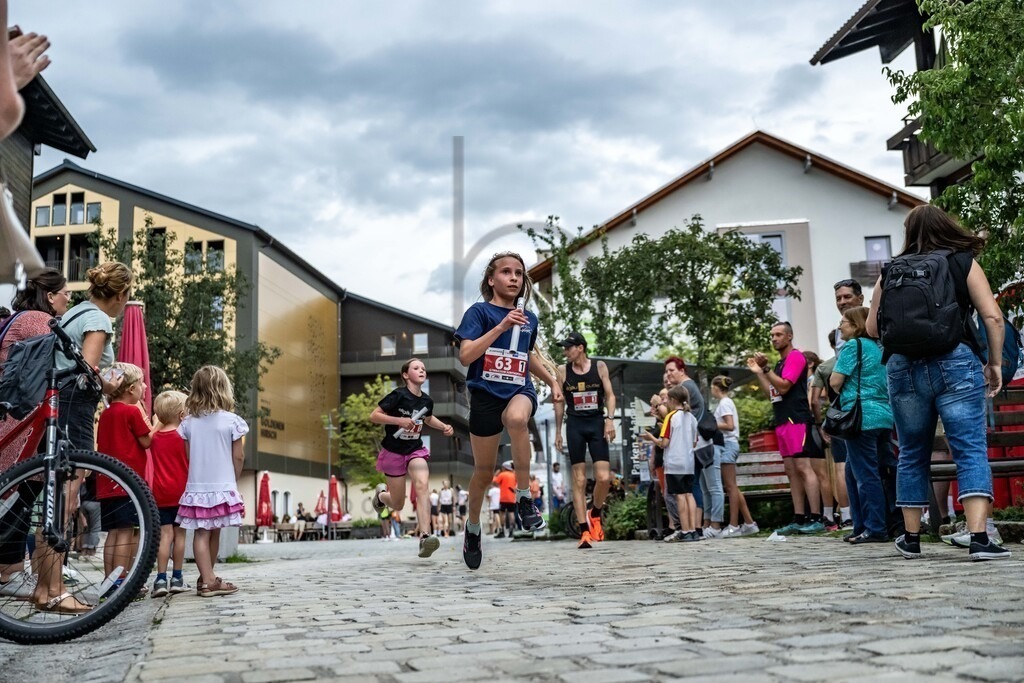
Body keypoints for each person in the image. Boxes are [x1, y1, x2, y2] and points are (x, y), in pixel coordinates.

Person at [866, 205, 1010, 560]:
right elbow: (992, 316)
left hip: (902, 368)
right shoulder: (962, 262)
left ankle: (911, 539)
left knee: (913, 451)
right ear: (946, 226)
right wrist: (993, 363)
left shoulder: (890, 271)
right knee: (969, 448)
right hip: (956, 362)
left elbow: (872, 329)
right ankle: (978, 539)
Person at [455, 252, 563, 569]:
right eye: (506, 272)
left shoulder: (530, 319)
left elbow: (526, 357)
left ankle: (524, 496)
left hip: (518, 388)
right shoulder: (479, 312)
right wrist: (501, 325)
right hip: (485, 394)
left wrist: (552, 380)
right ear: (492, 280)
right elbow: (466, 356)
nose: (514, 278)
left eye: (519, 273)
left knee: (517, 419)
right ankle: (473, 528)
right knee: (484, 474)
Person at [0, 269, 89, 612]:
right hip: (22, 426)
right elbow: (52, 368)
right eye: (66, 293)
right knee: (35, 504)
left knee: (25, 504)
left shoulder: (21, 317)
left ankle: (39, 584)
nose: (69, 298)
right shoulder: (38, 320)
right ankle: (49, 588)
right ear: (50, 296)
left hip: (16, 422)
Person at [369, 358, 453, 558]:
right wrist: (399, 420)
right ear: (406, 375)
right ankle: (380, 496)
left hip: (415, 450)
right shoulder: (398, 395)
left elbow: (428, 418)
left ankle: (424, 537)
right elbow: (374, 415)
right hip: (393, 451)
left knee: (422, 484)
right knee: (397, 503)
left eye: (423, 368)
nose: (421, 370)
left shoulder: (426, 401)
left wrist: (443, 427)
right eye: (416, 368)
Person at [176, 366, 248, 596]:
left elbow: (189, 456)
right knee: (214, 531)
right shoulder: (232, 421)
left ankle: (206, 576)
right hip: (222, 484)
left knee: (201, 532)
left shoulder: (188, 423)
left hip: (197, 485)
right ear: (223, 389)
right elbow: (238, 456)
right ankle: (208, 580)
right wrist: (233, 480)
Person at [747, 322, 824, 534]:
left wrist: (766, 369)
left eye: (778, 334)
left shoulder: (796, 357)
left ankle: (816, 517)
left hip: (796, 420)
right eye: (772, 335)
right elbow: (773, 393)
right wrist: (760, 373)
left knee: (803, 467)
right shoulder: (780, 363)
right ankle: (799, 518)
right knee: (791, 471)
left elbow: (784, 386)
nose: (774, 338)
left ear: (789, 336)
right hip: (782, 420)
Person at [830, 306, 896, 544]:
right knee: (852, 471)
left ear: (856, 325)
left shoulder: (853, 346)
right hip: (882, 416)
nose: (840, 327)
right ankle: (860, 525)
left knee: (866, 475)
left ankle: (876, 528)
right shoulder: (879, 348)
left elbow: (835, 381)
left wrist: (842, 387)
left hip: (860, 418)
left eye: (844, 322)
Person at [95, 362, 157, 598]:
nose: (144, 387)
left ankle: (109, 579)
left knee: (112, 532)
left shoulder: (107, 413)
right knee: (127, 532)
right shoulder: (132, 411)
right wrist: (158, 422)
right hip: (128, 483)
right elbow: (146, 441)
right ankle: (123, 582)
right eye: (141, 383)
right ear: (131, 389)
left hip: (106, 482)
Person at [58, 263, 133, 451]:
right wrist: (108, 386)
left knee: (61, 464)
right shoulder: (98, 319)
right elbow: (86, 371)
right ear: (120, 295)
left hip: (58, 395)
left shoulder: (74, 312)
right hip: (75, 400)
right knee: (77, 466)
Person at [553, 331, 616, 549]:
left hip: (597, 422)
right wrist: (558, 431)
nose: (565, 351)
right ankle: (584, 531)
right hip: (576, 425)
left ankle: (595, 513)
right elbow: (559, 402)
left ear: (580, 347)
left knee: (603, 476)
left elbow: (610, 395)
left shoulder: (599, 367)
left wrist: (610, 420)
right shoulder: (562, 371)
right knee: (579, 480)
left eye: (568, 347)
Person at [665, 357, 723, 538]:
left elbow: (680, 422)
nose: (668, 374)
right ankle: (697, 527)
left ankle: (699, 527)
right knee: (697, 488)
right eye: (667, 371)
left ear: (682, 371)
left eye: (671, 370)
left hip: (696, 447)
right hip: (695, 447)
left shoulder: (686, 388)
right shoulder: (689, 388)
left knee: (698, 488)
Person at [642, 384, 699, 542]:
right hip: (689, 462)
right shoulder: (692, 418)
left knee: (679, 497)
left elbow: (664, 443)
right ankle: (694, 529)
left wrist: (651, 437)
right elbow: (694, 442)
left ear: (673, 400)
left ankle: (685, 530)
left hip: (674, 463)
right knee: (689, 495)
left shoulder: (671, 417)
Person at [148, 390, 190, 597]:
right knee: (180, 536)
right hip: (182, 492)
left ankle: (160, 579)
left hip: (160, 492)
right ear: (182, 414)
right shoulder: (184, 437)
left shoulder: (154, 438)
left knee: (165, 536)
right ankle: (177, 577)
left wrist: (156, 422)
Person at [810, 329, 853, 528]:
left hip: (837, 418)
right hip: (861, 413)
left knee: (841, 466)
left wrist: (821, 424)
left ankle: (846, 515)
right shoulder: (861, 356)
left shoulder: (825, 367)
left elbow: (814, 401)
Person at [712, 376, 758, 537]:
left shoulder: (724, 403)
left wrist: (712, 424)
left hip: (728, 444)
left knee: (730, 487)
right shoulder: (726, 402)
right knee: (733, 487)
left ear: (715, 387)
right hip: (728, 445)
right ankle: (749, 522)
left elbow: (730, 425)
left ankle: (733, 525)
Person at [492, 462, 517, 538]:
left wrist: (495, 475)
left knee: (502, 513)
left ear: (504, 468)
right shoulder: (514, 475)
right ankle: (511, 531)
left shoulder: (502, 474)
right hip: (512, 497)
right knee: (511, 513)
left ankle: (502, 531)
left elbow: (494, 483)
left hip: (503, 497)